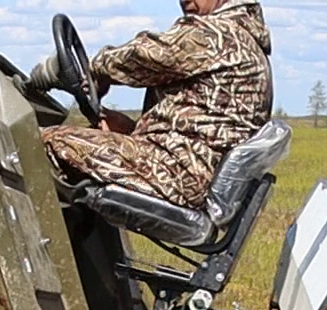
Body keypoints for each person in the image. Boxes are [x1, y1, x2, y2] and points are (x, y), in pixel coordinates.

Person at [30, 0, 272, 209]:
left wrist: (93, 69)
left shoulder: (218, 34)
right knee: (74, 146)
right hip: (188, 174)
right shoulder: (246, 40)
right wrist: (132, 132)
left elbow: (145, 56)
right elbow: (200, 129)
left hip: (178, 177)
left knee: (38, 145)